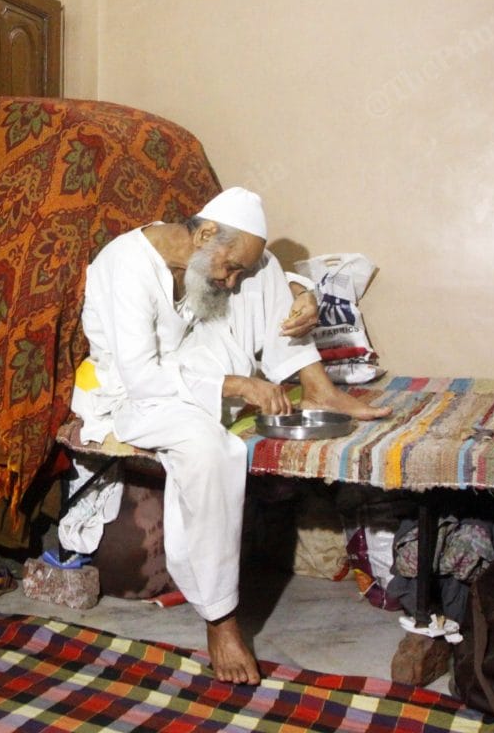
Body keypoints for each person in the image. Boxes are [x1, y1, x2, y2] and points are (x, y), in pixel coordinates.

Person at [73, 186, 390, 685]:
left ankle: (320, 389)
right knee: (212, 450)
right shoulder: (125, 266)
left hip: (189, 366)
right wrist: (238, 384)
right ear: (202, 234)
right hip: (137, 396)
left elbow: (248, 272)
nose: (233, 277)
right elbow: (141, 377)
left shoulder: (207, 257)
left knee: (268, 270)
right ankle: (219, 619)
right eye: (230, 265)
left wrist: (298, 291)